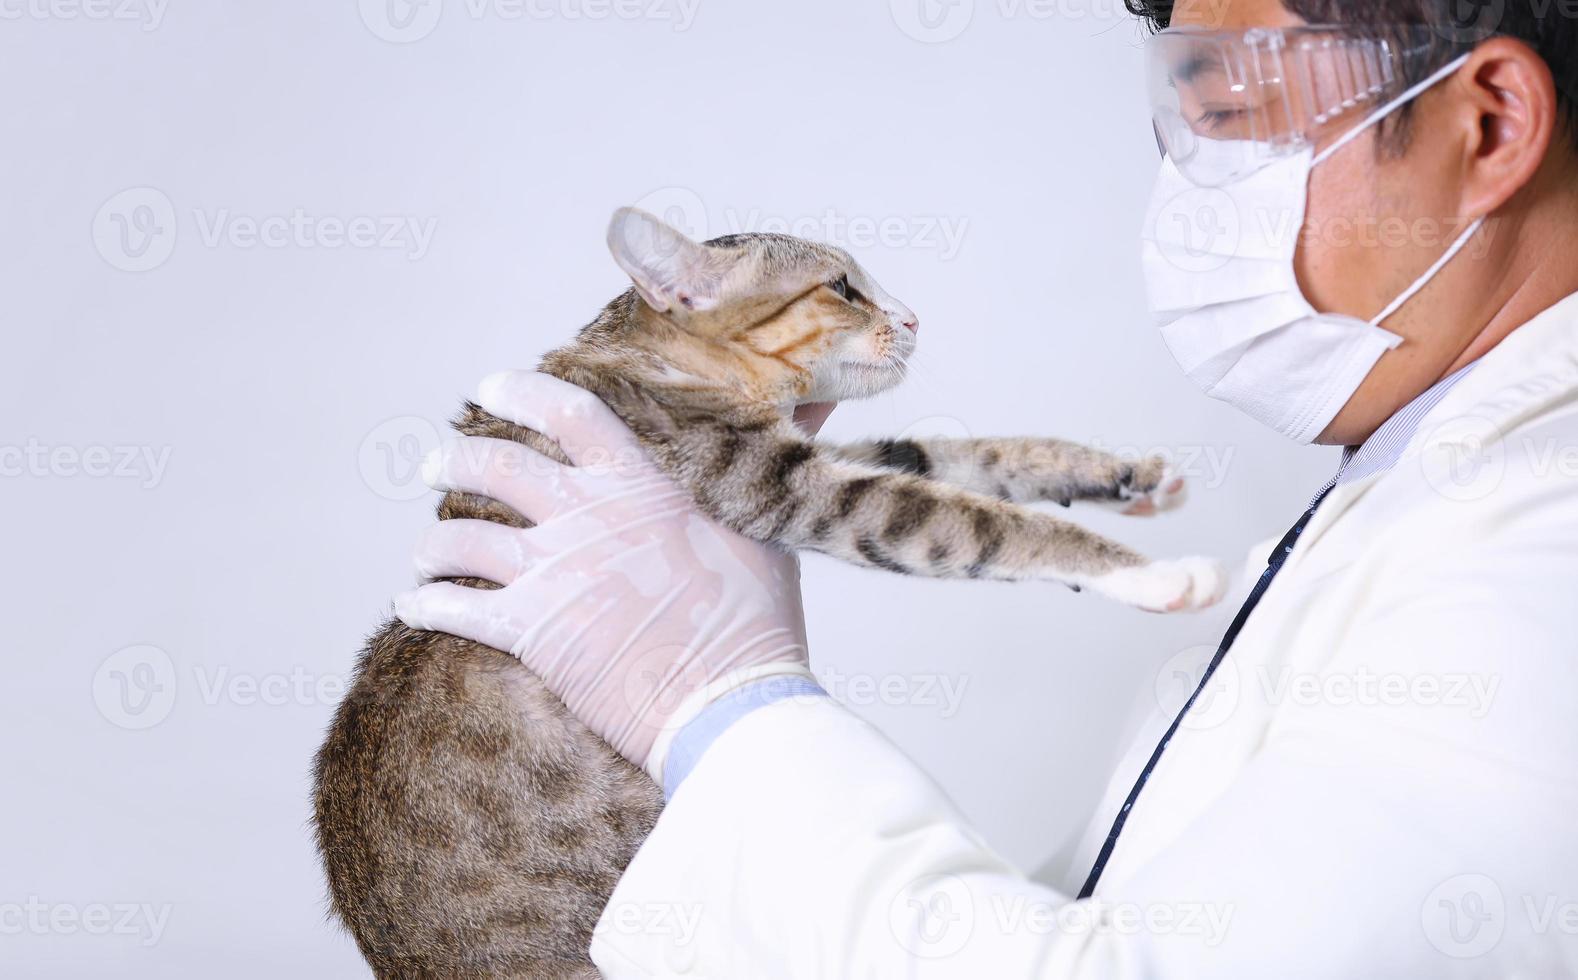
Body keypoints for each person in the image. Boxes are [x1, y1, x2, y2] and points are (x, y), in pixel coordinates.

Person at [394, 0, 1578, 972]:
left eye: (1231, 118)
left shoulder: (1537, 552)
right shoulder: (1416, 484)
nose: (1188, 192)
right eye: (1181, 128)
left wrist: (720, 713)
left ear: (1487, 127)